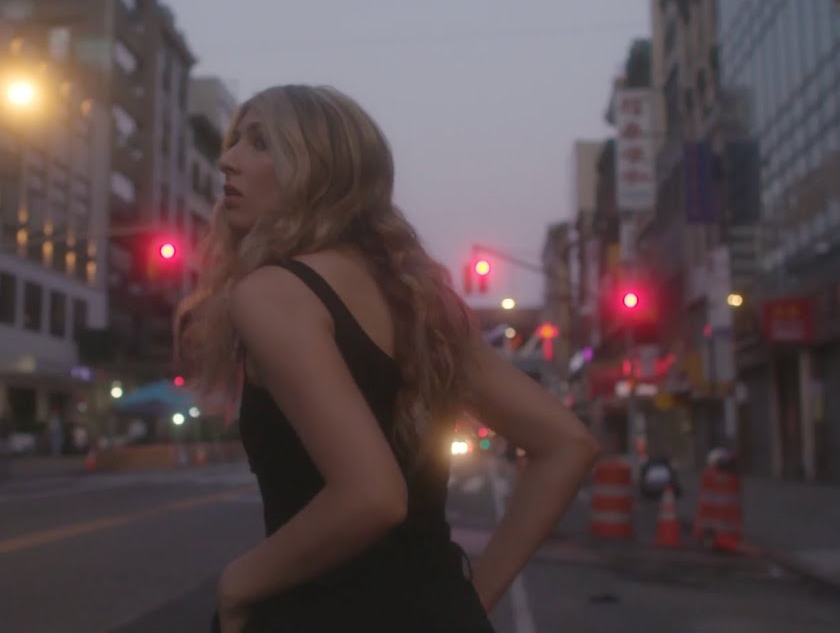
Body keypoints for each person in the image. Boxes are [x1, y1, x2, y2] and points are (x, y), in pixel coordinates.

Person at [176, 85, 600, 633]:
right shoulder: (418, 304)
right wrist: (469, 606)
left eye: (260, 143)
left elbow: (373, 495)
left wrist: (239, 584)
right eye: (236, 140)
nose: (227, 160)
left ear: (321, 171)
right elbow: (566, 443)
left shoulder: (272, 293)